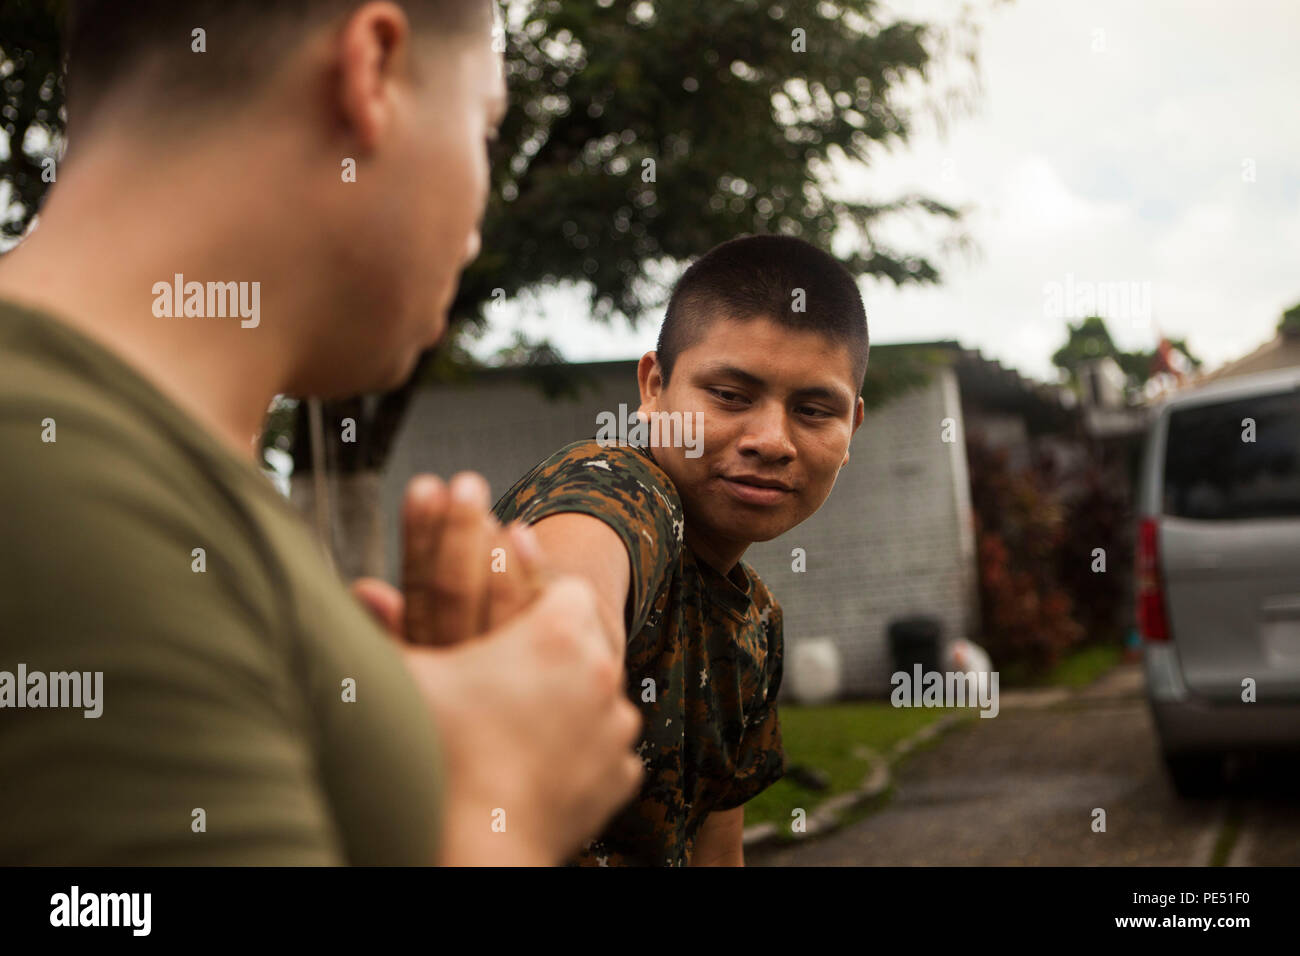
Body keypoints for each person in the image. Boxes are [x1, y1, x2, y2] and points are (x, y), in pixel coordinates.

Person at [0, 0, 641, 865]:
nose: (481, 217)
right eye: (486, 127)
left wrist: (390, 737)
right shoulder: (69, 488)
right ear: (372, 69)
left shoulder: (118, 466)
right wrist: (507, 799)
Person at [492, 234, 869, 865]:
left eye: (812, 410)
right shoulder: (617, 482)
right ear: (654, 386)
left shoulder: (757, 625)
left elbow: (716, 846)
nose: (771, 440)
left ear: (850, 427)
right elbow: (583, 556)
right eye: (729, 395)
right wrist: (559, 633)